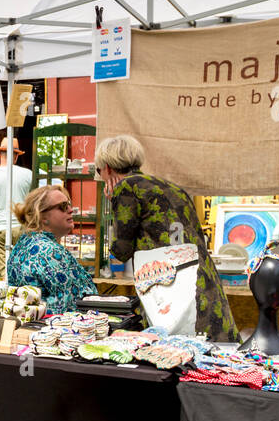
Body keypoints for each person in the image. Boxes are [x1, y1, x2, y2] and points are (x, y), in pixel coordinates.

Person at [96, 134, 239, 342]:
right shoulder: (171, 186)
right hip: (203, 280)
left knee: (176, 352)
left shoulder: (126, 188)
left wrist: (113, 202)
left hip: (170, 285)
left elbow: (122, 250)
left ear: (107, 167)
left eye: (98, 171)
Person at [6, 185, 95, 312]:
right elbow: (69, 304)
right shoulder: (50, 251)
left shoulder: (24, 242)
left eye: (69, 204)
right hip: (55, 328)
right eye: (63, 206)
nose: (70, 210)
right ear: (42, 216)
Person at [0, 138, 35, 279]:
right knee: (25, 267)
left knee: (4, 274)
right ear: (16, 156)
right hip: (23, 227)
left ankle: (8, 296)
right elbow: (36, 202)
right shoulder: (29, 175)